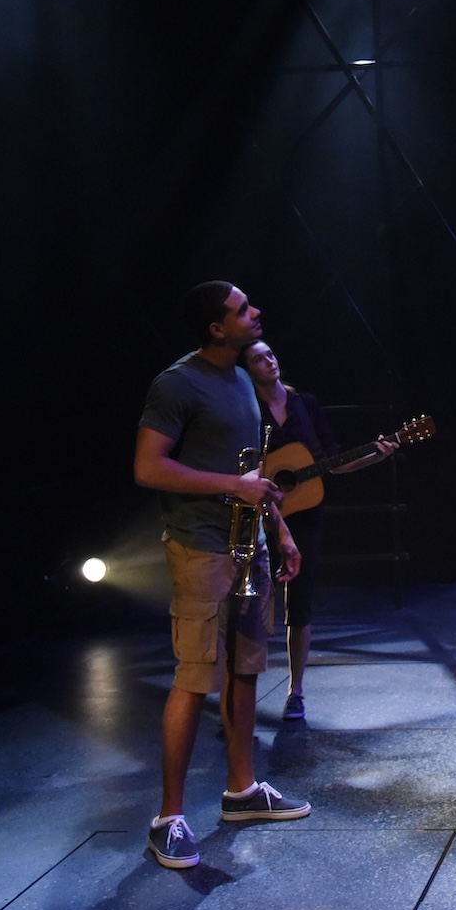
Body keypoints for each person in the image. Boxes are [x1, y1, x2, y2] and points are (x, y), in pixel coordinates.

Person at [133, 282, 311, 870]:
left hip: (249, 545)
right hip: (201, 548)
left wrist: (279, 530)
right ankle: (169, 818)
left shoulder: (241, 377)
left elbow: (253, 469)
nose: (255, 312)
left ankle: (241, 790)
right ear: (216, 327)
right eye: (242, 309)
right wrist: (232, 488)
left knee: (244, 669)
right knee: (193, 677)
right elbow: (148, 466)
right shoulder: (177, 384)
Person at [241, 339, 396, 723]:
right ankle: (239, 700)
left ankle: (296, 692)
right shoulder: (246, 409)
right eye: (259, 359)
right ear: (247, 370)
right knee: (247, 603)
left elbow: (331, 461)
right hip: (253, 517)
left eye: (271, 354)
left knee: (301, 599)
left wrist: (373, 455)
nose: (269, 361)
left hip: (304, 514)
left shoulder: (304, 404)